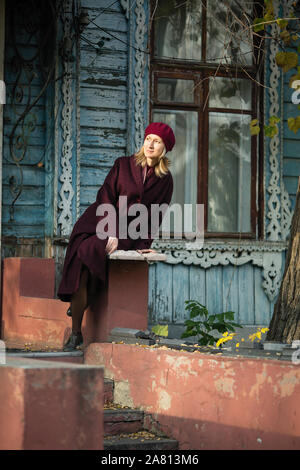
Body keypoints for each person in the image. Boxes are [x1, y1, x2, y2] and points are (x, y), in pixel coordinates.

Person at [57, 122, 175, 351]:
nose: (150, 144)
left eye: (157, 141)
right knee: (83, 254)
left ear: (165, 148)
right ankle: (76, 332)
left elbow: (155, 216)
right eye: (148, 138)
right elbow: (105, 196)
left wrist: (144, 244)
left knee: (87, 255)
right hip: (98, 222)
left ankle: (80, 304)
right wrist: (110, 229)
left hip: (129, 233)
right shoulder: (123, 165)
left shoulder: (165, 180)